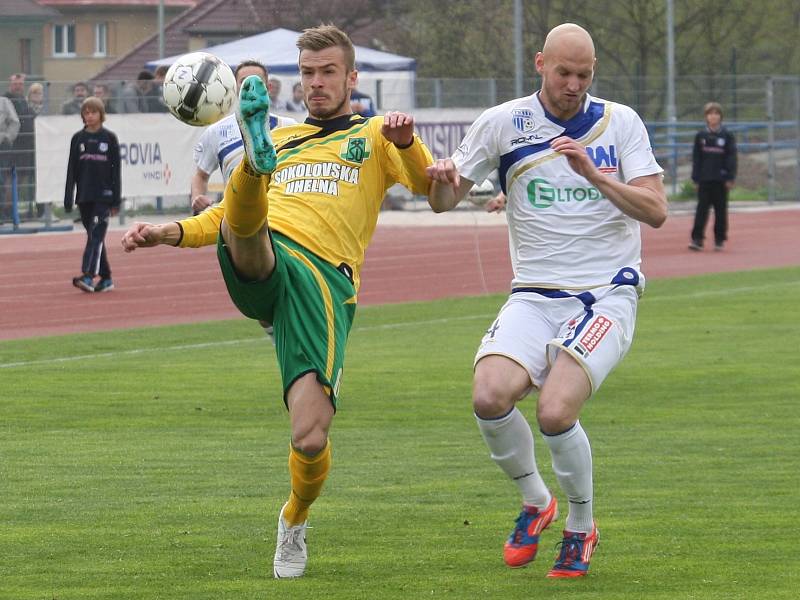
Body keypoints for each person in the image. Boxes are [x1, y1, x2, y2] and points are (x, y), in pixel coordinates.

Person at [121, 24, 434, 579]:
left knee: (309, 437)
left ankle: (294, 518)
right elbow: (217, 220)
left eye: (327, 72)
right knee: (247, 224)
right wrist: (167, 231)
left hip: (325, 283)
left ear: (351, 77)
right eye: (308, 73)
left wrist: (407, 143)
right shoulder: (287, 137)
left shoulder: (378, 133)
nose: (316, 83)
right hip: (265, 253)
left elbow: (430, 188)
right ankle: (251, 158)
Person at [426, 23, 667, 578]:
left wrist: (593, 172)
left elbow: (655, 212)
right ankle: (537, 501)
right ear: (540, 64)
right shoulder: (504, 123)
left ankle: (581, 527)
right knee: (488, 395)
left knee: (556, 410)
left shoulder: (620, 123)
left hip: (606, 295)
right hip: (534, 294)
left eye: (584, 75)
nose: (574, 85)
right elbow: (443, 199)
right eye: (564, 73)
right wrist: (438, 178)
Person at [191, 60, 296, 215]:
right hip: (237, 220)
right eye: (244, 82)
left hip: (281, 218)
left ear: (268, 87)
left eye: (257, 81)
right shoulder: (217, 131)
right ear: (236, 88)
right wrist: (197, 197)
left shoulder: (289, 126)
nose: (251, 87)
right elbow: (201, 176)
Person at [64, 97, 121, 293]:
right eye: (86, 113)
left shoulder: (110, 138)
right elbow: (72, 170)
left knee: (96, 235)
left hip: (104, 197)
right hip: (84, 196)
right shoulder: (77, 139)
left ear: (101, 114)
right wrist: (68, 197)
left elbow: (116, 172)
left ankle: (88, 276)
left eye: (93, 112)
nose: (89, 116)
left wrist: (116, 200)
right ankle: (106, 278)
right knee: (94, 236)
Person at [689, 102, 737, 251]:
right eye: (710, 114)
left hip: (721, 180)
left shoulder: (727, 136)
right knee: (701, 210)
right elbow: (696, 158)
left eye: (716, 114)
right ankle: (697, 239)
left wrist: (730, 177)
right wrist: (695, 178)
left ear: (720, 117)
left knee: (721, 211)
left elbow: (732, 157)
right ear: (706, 117)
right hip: (704, 179)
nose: (713, 116)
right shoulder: (701, 136)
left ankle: (719, 239)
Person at [4, 74, 35, 214]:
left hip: (26, 146)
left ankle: (11, 209)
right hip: (13, 146)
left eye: (21, 84)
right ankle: (6, 209)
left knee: (21, 177)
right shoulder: (5, 99)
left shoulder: (23, 99)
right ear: (10, 84)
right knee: (11, 177)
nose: (18, 86)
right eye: (15, 84)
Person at [0, 94, 20, 220]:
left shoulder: (3, 102)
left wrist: (7, 138)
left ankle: (0, 214)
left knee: (0, 178)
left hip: (1, 145)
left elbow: (15, 122)